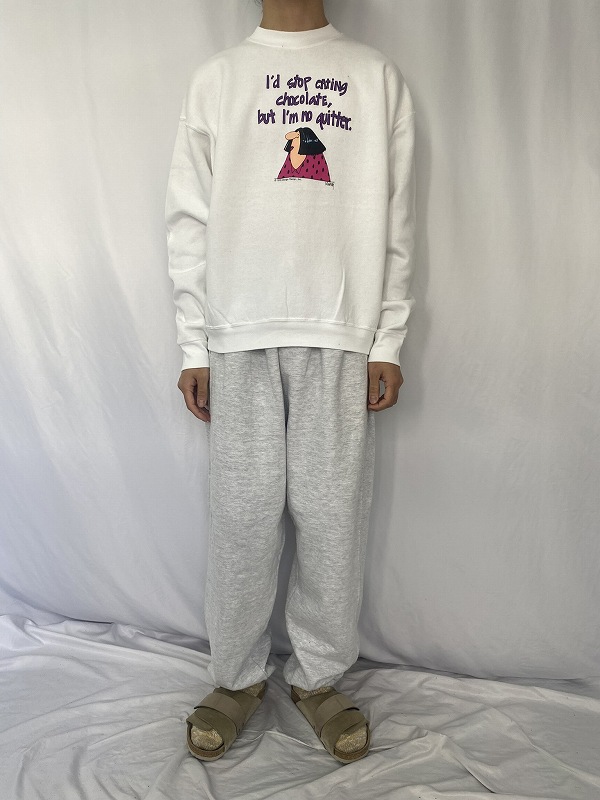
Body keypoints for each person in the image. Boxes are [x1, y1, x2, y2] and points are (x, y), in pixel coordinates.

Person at [164, 0, 416, 764]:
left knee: (332, 518)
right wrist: (194, 345)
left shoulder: (374, 77)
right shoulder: (219, 79)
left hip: (340, 331)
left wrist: (389, 336)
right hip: (238, 331)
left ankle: (318, 677)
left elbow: (398, 218)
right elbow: (188, 219)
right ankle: (236, 678)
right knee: (242, 517)